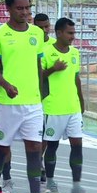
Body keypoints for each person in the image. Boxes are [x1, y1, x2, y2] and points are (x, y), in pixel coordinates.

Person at [0, 0, 45, 193]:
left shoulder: (37, 34)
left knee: (34, 148)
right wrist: (6, 85)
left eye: (27, 7)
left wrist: (41, 92)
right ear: (8, 8)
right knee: (2, 148)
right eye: (19, 8)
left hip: (33, 103)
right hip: (7, 103)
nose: (24, 12)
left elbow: (38, 65)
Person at [41, 17, 89, 193]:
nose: (73, 37)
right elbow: (39, 77)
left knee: (77, 145)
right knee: (51, 146)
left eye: (74, 33)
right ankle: (51, 183)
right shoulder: (45, 52)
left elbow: (76, 78)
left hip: (73, 108)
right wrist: (53, 68)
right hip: (53, 108)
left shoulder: (75, 53)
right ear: (59, 32)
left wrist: (81, 99)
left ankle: (76, 186)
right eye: (70, 33)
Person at [34, 12, 57, 182]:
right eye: (40, 27)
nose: (44, 30)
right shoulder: (31, 42)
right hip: (29, 94)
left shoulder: (55, 45)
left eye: (46, 27)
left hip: (48, 95)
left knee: (46, 134)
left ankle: (39, 161)